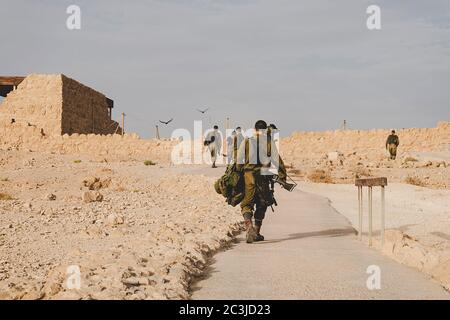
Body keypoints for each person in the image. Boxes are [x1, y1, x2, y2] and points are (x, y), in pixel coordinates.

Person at [236, 120, 287, 243]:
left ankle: (249, 226)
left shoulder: (247, 141)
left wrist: (240, 172)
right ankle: (257, 232)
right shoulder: (269, 143)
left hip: (249, 177)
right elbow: (277, 161)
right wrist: (282, 176)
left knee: (247, 204)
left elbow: (239, 160)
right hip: (263, 177)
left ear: (254, 129)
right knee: (262, 203)